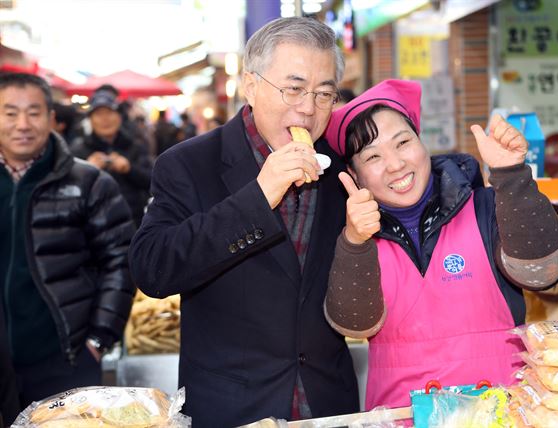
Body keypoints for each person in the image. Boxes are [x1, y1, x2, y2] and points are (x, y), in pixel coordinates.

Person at [129, 17, 359, 426]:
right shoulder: (189, 164)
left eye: (324, 93)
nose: (308, 108)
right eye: (293, 88)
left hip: (328, 404)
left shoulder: (344, 167)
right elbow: (153, 269)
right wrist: (258, 198)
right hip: (231, 407)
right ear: (251, 86)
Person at [323, 79, 558, 409]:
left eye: (403, 142)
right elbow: (354, 323)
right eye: (373, 157)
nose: (396, 164)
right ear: (354, 175)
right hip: (401, 416)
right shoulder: (356, 235)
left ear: (422, 142)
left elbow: (544, 272)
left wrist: (512, 176)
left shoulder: (485, 207)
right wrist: (354, 241)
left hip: (500, 412)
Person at [0, 73, 136, 408]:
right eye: (10, 113)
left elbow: (121, 260)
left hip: (65, 359)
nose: (22, 124)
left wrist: (98, 339)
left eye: (33, 112)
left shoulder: (89, 182)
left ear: (51, 119)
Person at [70, 90, 153, 227]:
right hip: (92, 224)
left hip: (134, 222)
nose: (105, 119)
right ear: (90, 119)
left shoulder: (135, 146)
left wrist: (129, 169)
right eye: (98, 114)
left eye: (109, 112)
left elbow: (152, 182)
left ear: (119, 116)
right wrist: (87, 170)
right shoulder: (78, 149)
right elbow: (69, 191)